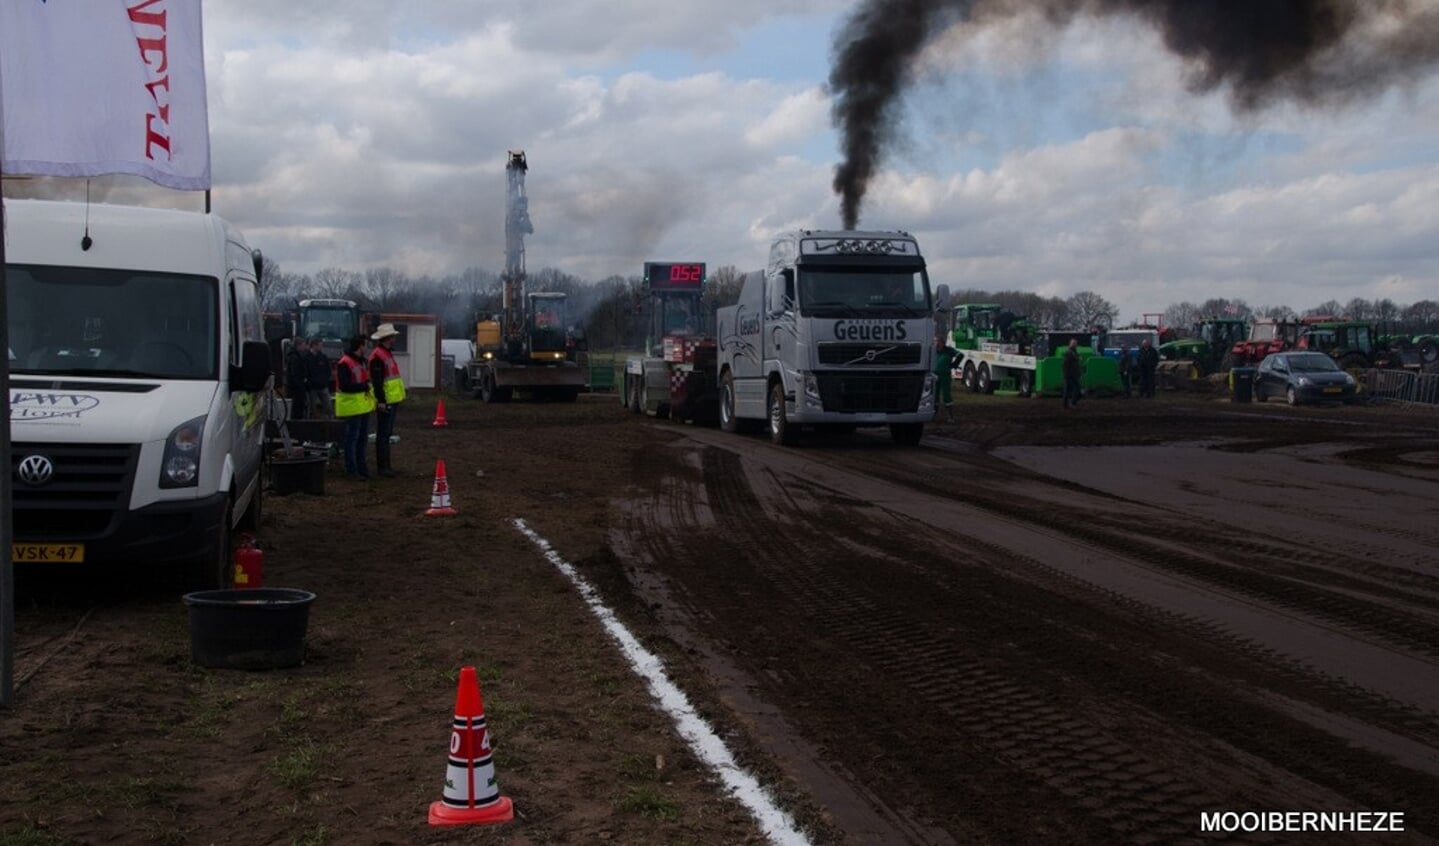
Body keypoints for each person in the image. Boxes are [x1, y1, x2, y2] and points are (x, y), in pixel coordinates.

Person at [368, 323, 407, 478]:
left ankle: (386, 466)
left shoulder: (385, 353)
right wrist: (381, 401)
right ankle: (383, 467)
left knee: (386, 433)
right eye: (392, 337)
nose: (394, 339)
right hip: (387, 400)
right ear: (387, 338)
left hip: (391, 399)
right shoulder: (379, 356)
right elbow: (377, 382)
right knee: (383, 434)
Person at [335, 334, 375, 479]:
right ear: (360, 346)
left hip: (362, 406)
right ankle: (352, 470)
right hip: (352, 407)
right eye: (366, 345)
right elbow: (345, 386)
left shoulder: (361, 362)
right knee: (352, 439)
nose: (367, 348)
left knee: (361, 439)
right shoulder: (345, 363)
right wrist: (363, 386)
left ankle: (362, 469)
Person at [304, 336, 333, 419]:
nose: (321, 347)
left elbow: (328, 371)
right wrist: (309, 383)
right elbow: (305, 372)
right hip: (312, 388)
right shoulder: (306, 358)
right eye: (320, 345)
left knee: (328, 406)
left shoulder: (323, 357)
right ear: (314, 345)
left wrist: (325, 381)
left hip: (323, 386)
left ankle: (329, 421)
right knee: (312, 408)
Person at [284, 337, 309, 421]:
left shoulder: (295, 356)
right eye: (304, 345)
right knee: (296, 409)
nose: (305, 347)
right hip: (296, 389)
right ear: (298, 345)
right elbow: (295, 374)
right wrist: (301, 385)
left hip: (295, 387)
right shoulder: (294, 358)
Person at [933, 336, 956, 422]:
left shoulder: (948, 350)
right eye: (935, 341)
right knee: (934, 395)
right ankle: (934, 415)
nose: (937, 343)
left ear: (943, 343)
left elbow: (960, 355)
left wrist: (954, 364)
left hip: (945, 376)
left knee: (946, 395)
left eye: (939, 341)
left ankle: (950, 416)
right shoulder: (933, 351)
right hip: (934, 375)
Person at [1062, 338, 1083, 409]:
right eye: (1074, 343)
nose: (1075, 345)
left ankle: (1068, 404)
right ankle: (1070, 403)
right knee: (1074, 388)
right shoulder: (1070, 352)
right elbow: (1068, 364)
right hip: (1070, 374)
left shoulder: (1071, 352)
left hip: (1070, 374)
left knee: (1070, 389)